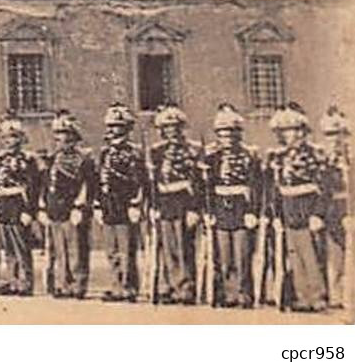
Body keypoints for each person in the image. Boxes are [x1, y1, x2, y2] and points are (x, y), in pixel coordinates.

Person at [267, 104, 330, 312]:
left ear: (302, 131)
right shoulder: (278, 157)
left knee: (311, 256)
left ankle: (317, 296)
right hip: (288, 210)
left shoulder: (315, 155)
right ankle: (302, 296)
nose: (288, 135)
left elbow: (324, 187)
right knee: (294, 256)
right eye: (284, 131)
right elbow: (275, 189)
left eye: (292, 130)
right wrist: (276, 214)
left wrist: (318, 214)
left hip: (307, 209)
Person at [203, 103, 262, 307]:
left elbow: (255, 184)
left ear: (238, 134)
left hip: (241, 207)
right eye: (222, 133)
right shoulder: (211, 157)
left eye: (231, 133)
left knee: (242, 255)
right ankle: (227, 294)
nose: (227, 138)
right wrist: (209, 211)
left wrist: (252, 211)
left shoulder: (249, 155)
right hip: (220, 208)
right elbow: (207, 187)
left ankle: (244, 294)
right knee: (224, 256)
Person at [148, 104, 204, 304]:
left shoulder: (193, 149)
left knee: (183, 248)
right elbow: (153, 181)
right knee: (167, 247)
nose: (171, 131)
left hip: (183, 204)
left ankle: (185, 287)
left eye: (175, 127)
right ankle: (169, 286)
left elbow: (198, 182)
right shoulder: (157, 151)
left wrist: (194, 208)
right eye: (167, 128)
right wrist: (153, 206)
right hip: (165, 204)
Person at [38, 109, 95, 299]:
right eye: (57, 137)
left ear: (73, 138)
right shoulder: (53, 159)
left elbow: (87, 185)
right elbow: (46, 185)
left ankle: (77, 285)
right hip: (55, 210)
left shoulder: (83, 160)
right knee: (59, 249)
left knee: (76, 250)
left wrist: (80, 207)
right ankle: (62, 283)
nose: (59, 141)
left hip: (72, 210)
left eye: (63, 136)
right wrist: (43, 207)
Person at [95, 101, 147, 302]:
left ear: (127, 129)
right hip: (109, 205)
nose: (113, 130)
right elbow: (100, 181)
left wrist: (136, 204)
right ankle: (116, 285)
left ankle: (128, 287)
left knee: (126, 250)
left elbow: (139, 181)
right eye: (110, 127)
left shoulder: (133, 153)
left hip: (126, 204)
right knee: (112, 250)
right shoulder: (105, 152)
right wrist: (98, 205)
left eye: (117, 127)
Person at [0, 115, 41, 295]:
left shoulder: (28, 159)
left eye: (13, 137)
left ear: (20, 138)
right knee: (7, 248)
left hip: (19, 204)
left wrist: (29, 211)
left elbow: (34, 187)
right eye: (5, 138)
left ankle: (24, 282)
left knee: (21, 247)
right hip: (3, 205)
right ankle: (11, 280)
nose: (9, 141)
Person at [321, 107, 349, 309]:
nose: (336, 141)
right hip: (332, 213)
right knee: (334, 257)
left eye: (340, 136)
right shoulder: (323, 163)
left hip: (351, 211)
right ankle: (336, 295)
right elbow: (321, 191)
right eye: (331, 137)